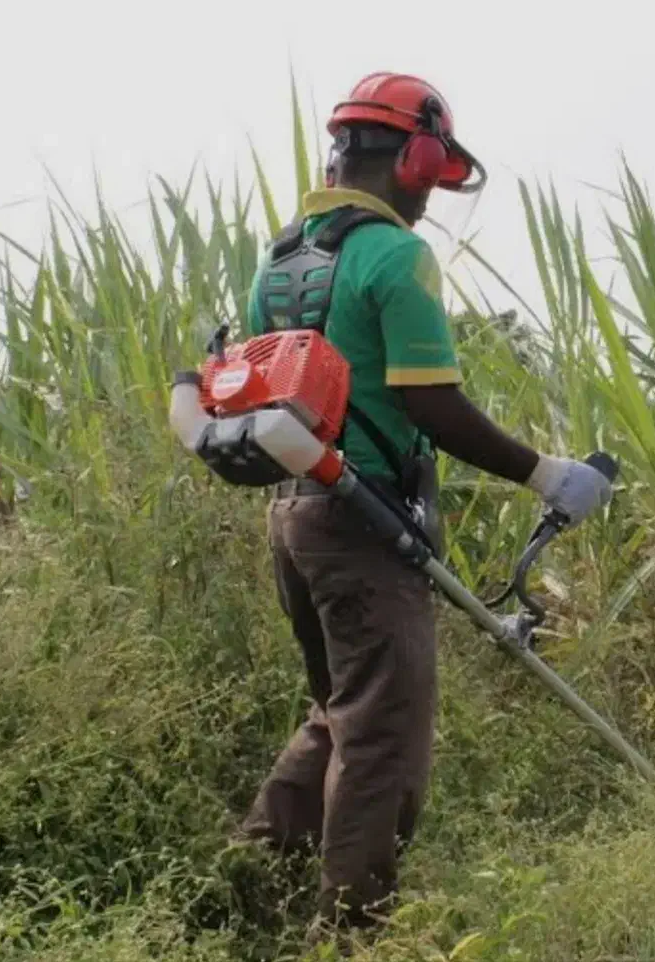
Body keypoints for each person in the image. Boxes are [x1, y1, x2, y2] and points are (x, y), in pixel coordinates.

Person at [237, 72, 612, 934]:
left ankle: (245, 896)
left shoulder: (284, 258)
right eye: (429, 173)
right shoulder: (394, 253)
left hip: (295, 513)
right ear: (415, 157)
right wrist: (546, 474)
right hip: (358, 520)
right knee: (380, 746)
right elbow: (427, 402)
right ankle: (354, 939)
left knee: (337, 718)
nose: (428, 198)